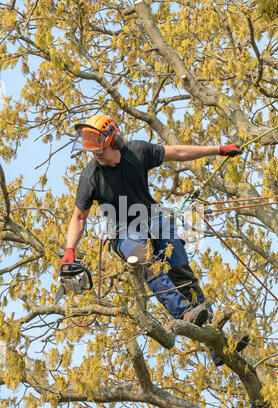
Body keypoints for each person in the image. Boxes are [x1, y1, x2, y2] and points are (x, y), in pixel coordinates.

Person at [60, 114, 243, 365]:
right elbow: (79, 217)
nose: (96, 155)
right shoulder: (91, 176)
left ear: (112, 140)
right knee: (147, 264)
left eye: (99, 148)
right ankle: (185, 315)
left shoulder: (138, 151)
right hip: (124, 230)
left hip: (154, 217)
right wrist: (69, 250)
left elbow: (176, 152)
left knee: (181, 269)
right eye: (91, 150)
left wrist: (218, 150)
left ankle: (216, 339)